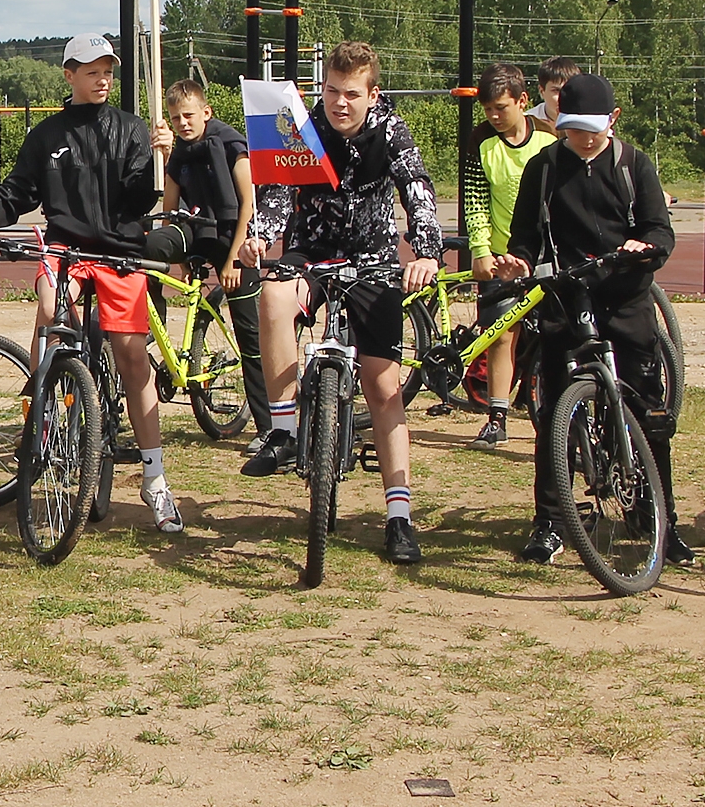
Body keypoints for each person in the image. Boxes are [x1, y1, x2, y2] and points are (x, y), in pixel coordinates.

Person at [0, 34, 184, 534]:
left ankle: (155, 480)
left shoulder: (133, 131)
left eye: (108, 69)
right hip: (66, 252)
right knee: (48, 311)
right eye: (91, 70)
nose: (102, 78)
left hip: (120, 254)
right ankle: (42, 411)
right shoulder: (46, 135)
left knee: (130, 353)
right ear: (69, 75)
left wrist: (160, 161)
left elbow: (137, 203)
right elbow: (13, 196)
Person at [239, 41, 442, 565]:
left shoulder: (391, 131)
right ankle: (282, 430)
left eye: (351, 93)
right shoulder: (303, 130)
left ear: (372, 93)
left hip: (374, 261)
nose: (340, 102)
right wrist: (260, 235)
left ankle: (399, 518)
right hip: (313, 256)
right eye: (331, 91)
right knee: (273, 295)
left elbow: (415, 187)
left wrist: (425, 252)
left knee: (382, 386)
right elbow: (279, 191)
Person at [499, 73, 690, 565]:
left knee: (649, 412)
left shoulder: (634, 165)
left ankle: (658, 519)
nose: (582, 138)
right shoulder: (544, 167)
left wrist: (643, 248)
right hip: (568, 296)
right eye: (572, 128)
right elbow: (526, 237)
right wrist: (518, 260)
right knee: (557, 413)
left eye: (592, 128)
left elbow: (658, 230)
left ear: (613, 120)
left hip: (627, 298)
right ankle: (551, 522)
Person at [145, 78, 269, 439]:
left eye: (188, 116)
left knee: (250, 336)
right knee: (148, 247)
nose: (182, 123)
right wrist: (177, 255)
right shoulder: (180, 151)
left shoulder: (230, 144)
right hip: (196, 229)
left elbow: (249, 204)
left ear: (206, 112)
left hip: (233, 235)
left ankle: (268, 428)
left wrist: (232, 262)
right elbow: (169, 208)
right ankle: (154, 323)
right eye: (176, 117)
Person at [459, 63, 555, 450]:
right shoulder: (480, 142)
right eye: (488, 109)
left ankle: (555, 416)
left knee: (556, 335)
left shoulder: (549, 142)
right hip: (501, 256)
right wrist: (481, 251)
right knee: (501, 335)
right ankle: (496, 417)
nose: (495, 116)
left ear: (522, 101)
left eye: (501, 107)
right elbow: (476, 202)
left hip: (546, 254)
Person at [526, 56, 580, 135]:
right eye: (556, 90)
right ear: (542, 91)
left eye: (568, 90)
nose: (563, 97)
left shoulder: (586, 120)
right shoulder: (528, 123)